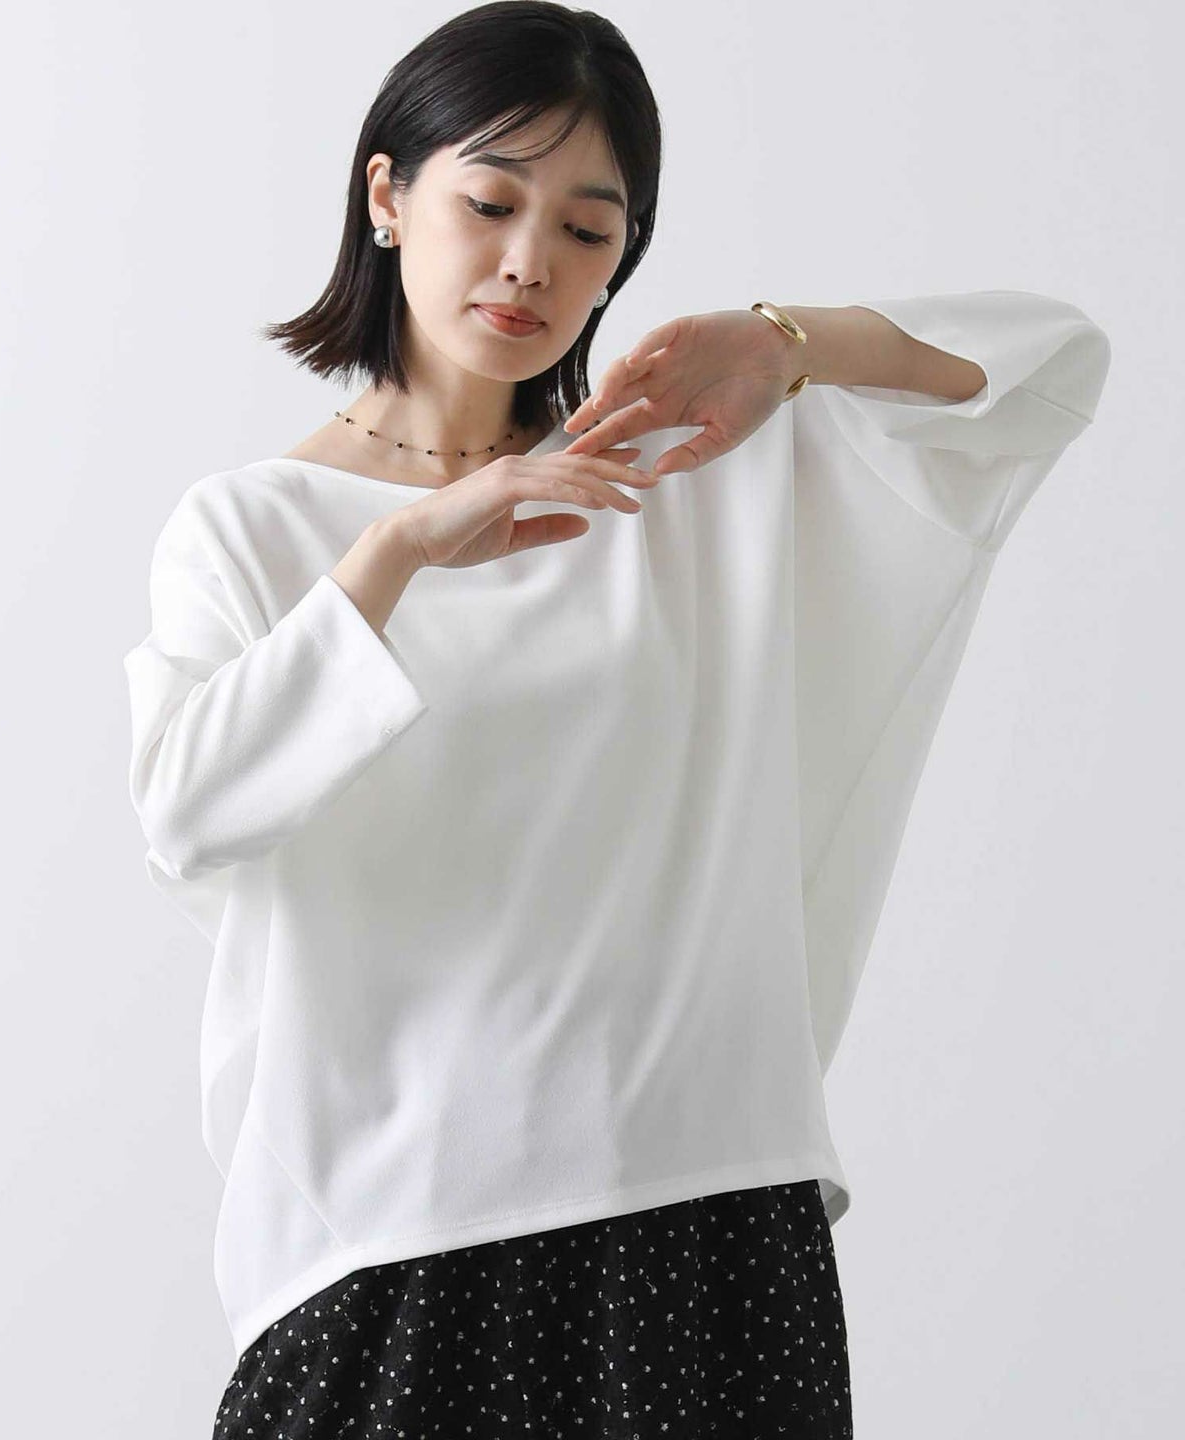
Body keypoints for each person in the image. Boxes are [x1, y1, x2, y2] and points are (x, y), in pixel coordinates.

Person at [121, 4, 1110, 1437]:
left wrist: (784, 343)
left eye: (589, 229)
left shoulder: (691, 474)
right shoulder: (253, 531)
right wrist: (397, 555)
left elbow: (1050, 363)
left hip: (710, 1222)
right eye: (491, 202)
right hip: (390, 1245)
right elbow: (185, 814)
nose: (533, 260)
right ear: (387, 195)